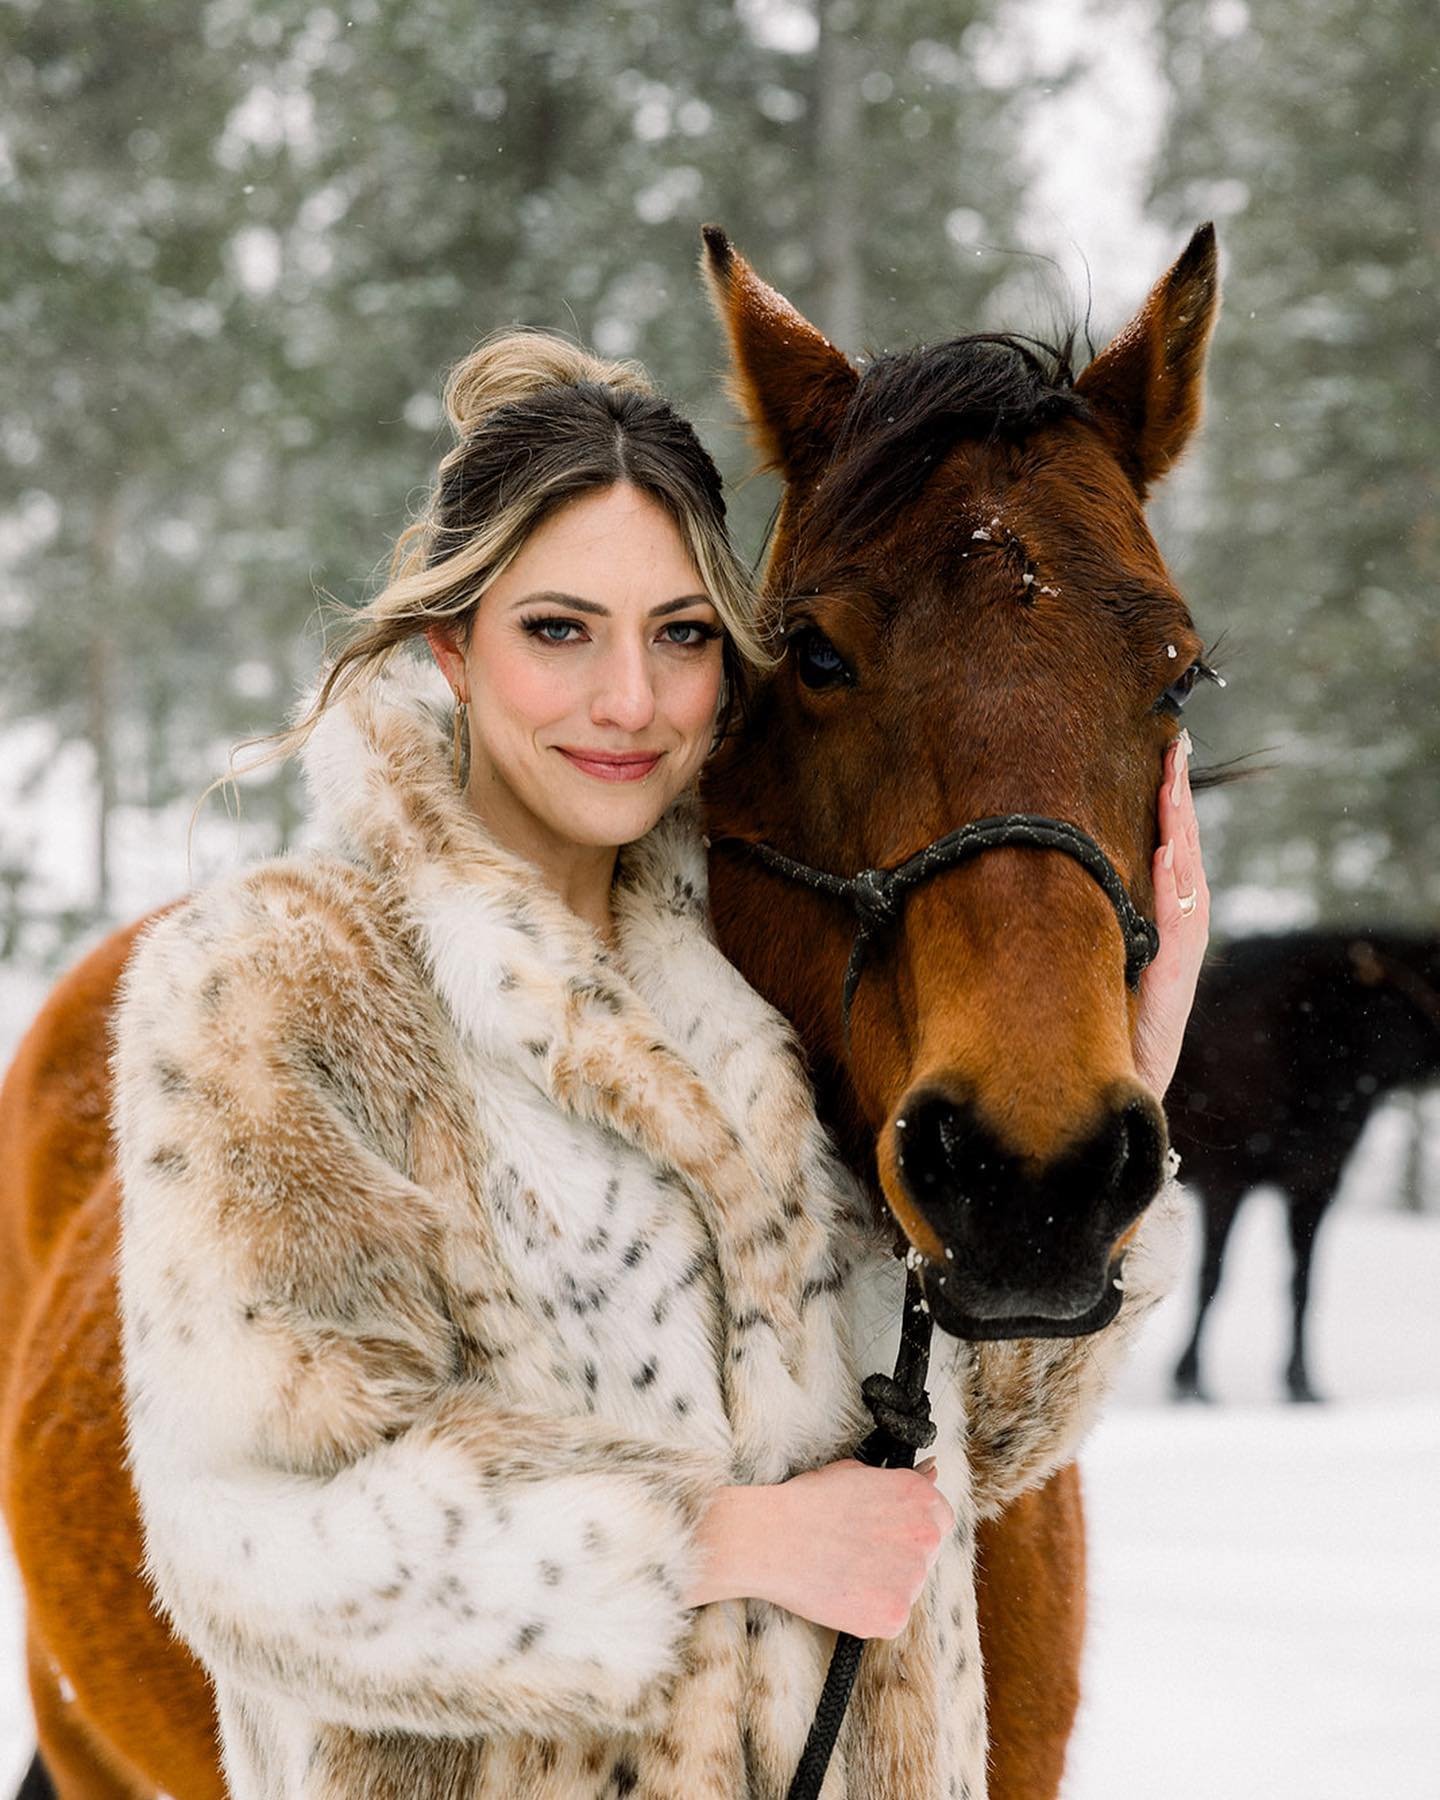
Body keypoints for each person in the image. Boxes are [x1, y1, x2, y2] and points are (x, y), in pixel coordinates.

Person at [110, 329, 1207, 1800]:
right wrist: (716, 1542)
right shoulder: (285, 983)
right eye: (560, 630)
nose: (630, 699)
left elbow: (978, 1441)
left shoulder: (773, 993)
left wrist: (1140, 1054)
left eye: (683, 634)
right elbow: (247, 1540)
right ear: (453, 641)